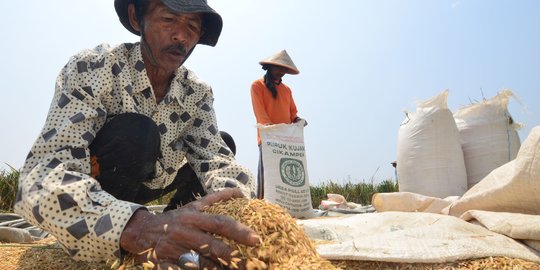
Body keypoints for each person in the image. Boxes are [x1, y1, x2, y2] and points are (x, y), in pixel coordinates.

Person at [14, 0, 260, 268]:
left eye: (192, 26)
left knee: (224, 143)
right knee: (138, 132)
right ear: (135, 17)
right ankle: (133, 236)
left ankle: (178, 231)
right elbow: (39, 180)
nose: (181, 36)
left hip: (150, 184)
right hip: (101, 188)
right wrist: (140, 228)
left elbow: (217, 158)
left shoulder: (196, 92)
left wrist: (240, 212)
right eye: (168, 20)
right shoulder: (94, 67)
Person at [250, 50, 306, 198]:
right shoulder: (257, 86)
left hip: (287, 141)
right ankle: (262, 206)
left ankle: (286, 207)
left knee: (286, 176)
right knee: (267, 175)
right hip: (268, 138)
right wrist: (274, 132)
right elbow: (260, 114)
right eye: (279, 68)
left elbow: (292, 114)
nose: (282, 72)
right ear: (269, 67)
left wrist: (299, 121)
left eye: (285, 69)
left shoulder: (287, 90)